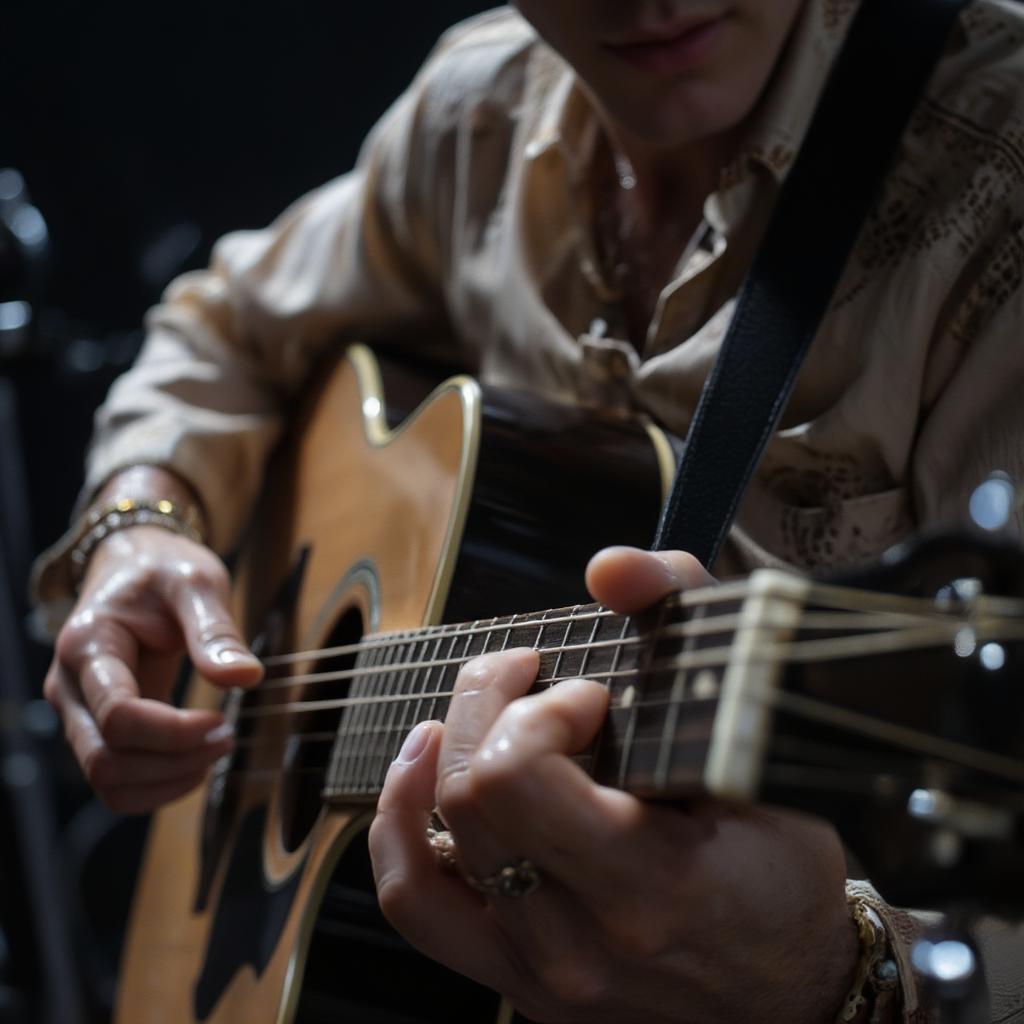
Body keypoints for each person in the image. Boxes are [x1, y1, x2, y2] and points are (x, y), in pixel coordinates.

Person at [31, 0, 1024, 1021]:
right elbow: (221, 330)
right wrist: (137, 521)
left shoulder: (1000, 190)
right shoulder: (481, 110)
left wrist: (839, 977)